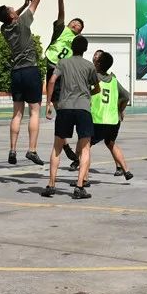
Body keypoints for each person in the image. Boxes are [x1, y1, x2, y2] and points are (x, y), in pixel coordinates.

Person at [0, 0, 45, 166]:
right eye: (12, 9)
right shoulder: (23, 22)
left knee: (17, 113)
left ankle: (12, 150)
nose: (13, 9)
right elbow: (37, 0)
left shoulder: (4, 29)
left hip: (16, 73)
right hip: (30, 70)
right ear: (13, 16)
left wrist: (23, 6)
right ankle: (32, 150)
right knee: (35, 111)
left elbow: (11, 17)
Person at [42, 35, 99, 199]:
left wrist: (48, 102)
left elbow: (52, 80)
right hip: (83, 108)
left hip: (64, 107)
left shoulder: (63, 63)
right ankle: (80, 186)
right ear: (85, 49)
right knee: (85, 148)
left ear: (72, 47)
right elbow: (97, 88)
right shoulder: (89, 66)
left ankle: (51, 184)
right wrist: (87, 93)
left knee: (57, 147)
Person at [43, 0, 85, 164]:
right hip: (53, 66)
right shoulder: (61, 30)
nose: (75, 26)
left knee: (65, 111)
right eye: (73, 23)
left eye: (78, 27)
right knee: (60, 110)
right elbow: (61, 13)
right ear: (69, 24)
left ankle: (66, 143)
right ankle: (65, 145)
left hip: (65, 73)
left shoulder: (77, 41)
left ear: (79, 32)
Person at [90, 51, 133, 180]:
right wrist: (120, 109)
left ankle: (83, 177)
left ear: (98, 64)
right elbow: (126, 96)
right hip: (113, 121)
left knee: (84, 146)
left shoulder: (93, 78)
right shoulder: (113, 80)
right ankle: (126, 170)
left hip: (98, 120)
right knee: (111, 143)